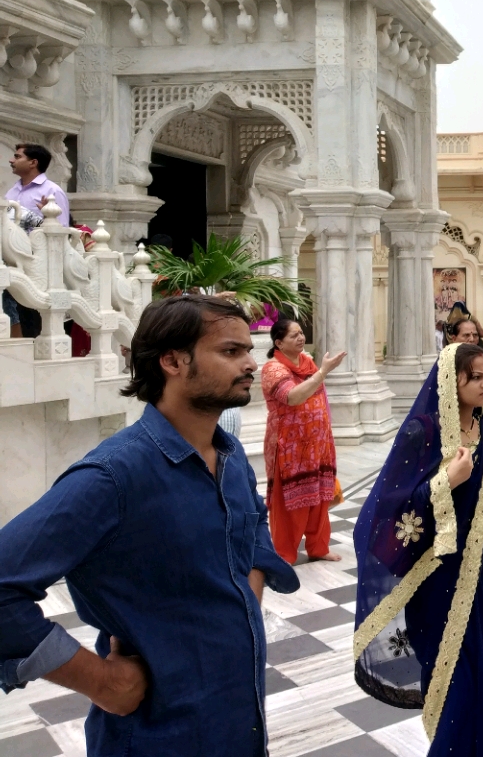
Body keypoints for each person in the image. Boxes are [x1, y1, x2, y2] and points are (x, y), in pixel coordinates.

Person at [0, 295, 299, 755]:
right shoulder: (115, 476)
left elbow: (254, 526)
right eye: (230, 351)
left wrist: (239, 611)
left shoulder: (230, 457)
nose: (250, 364)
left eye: (249, 350)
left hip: (237, 721)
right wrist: (100, 681)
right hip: (158, 734)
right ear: (173, 361)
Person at [353, 343, 483, 756]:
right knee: (453, 684)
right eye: (477, 377)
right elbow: (382, 509)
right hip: (432, 578)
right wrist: (445, 480)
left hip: (477, 572)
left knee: (480, 672)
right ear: (454, 380)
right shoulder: (422, 432)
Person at [262, 317, 345, 564]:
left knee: (319, 496)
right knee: (290, 503)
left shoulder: (307, 361)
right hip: (289, 447)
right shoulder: (272, 369)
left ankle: (318, 547)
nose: (300, 337)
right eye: (293, 335)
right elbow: (292, 397)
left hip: (317, 444)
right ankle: (284, 555)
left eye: (301, 333)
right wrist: (323, 372)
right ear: (278, 342)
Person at [4, 143, 71, 338]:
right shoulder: (12, 192)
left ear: (33, 162)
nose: (11, 160)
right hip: (11, 260)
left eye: (17, 157)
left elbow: (62, 233)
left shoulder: (52, 190)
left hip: (37, 264)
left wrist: (44, 217)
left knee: (32, 315)